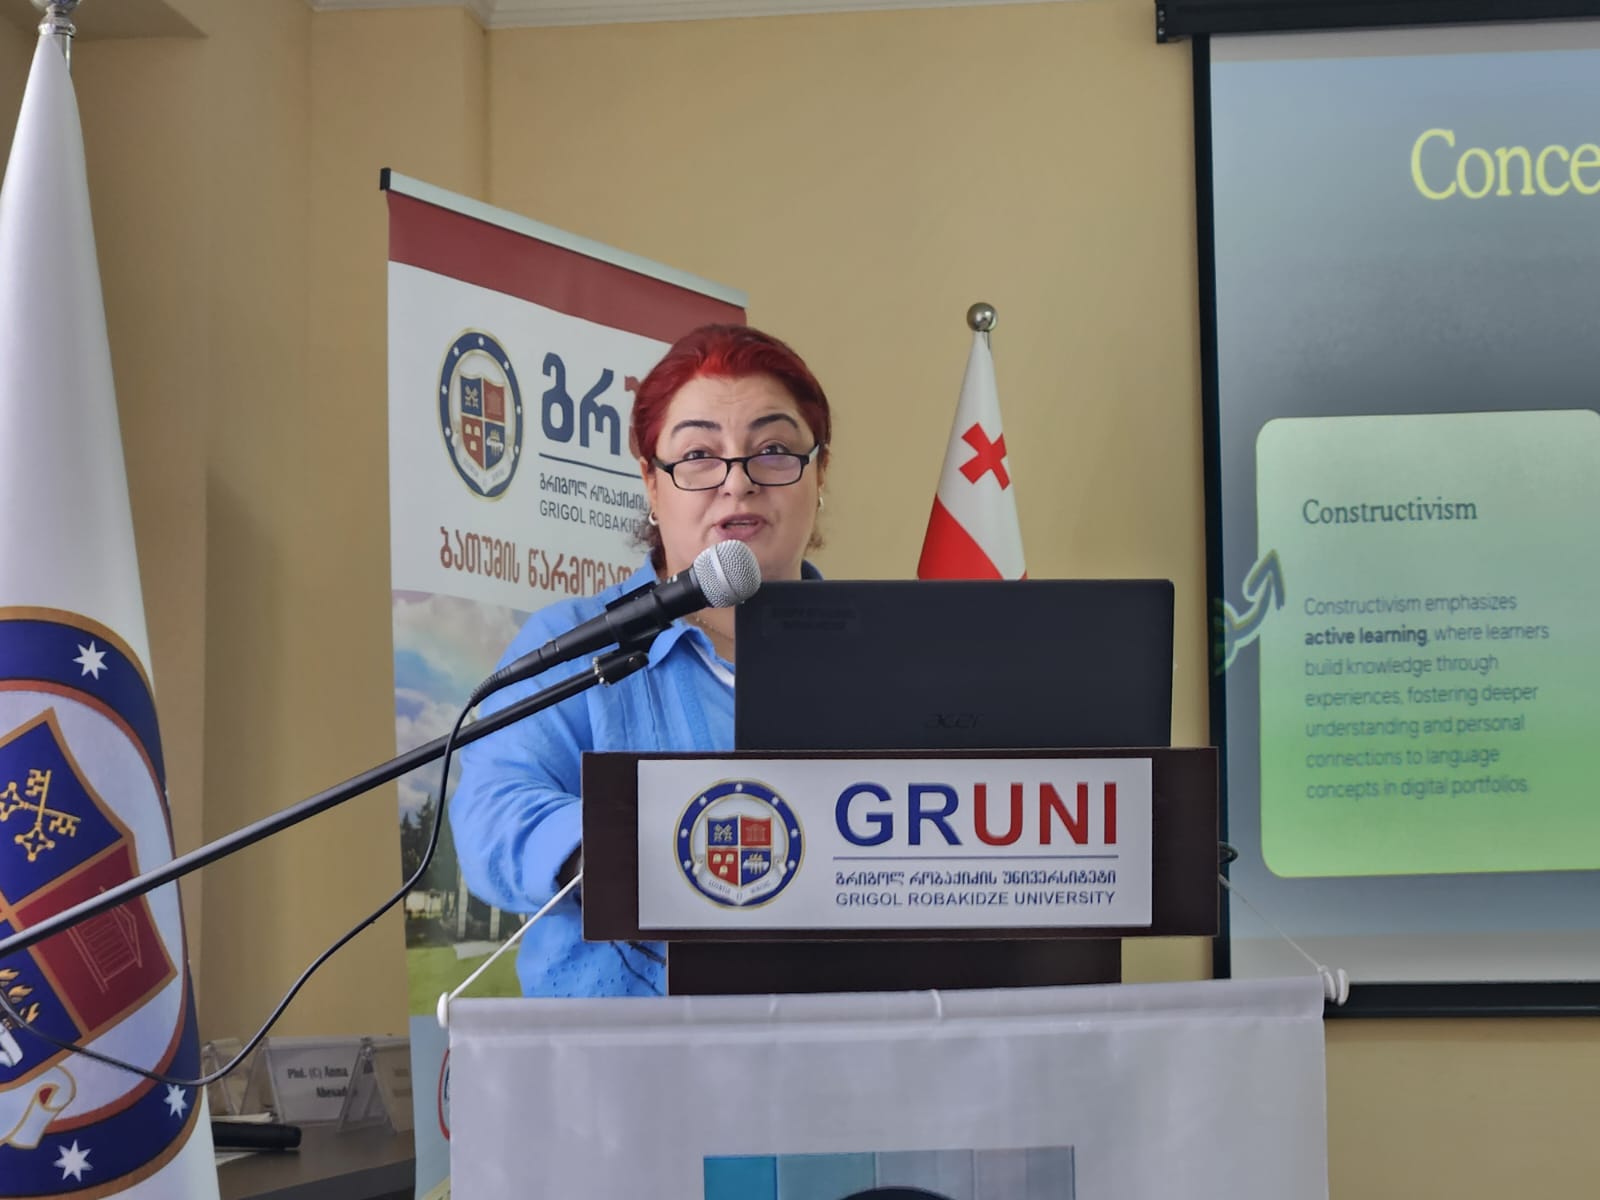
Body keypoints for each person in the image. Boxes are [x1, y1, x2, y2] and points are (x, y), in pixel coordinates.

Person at [449, 324, 831, 997]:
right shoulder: (576, 642)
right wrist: (633, 853)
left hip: (847, 1050)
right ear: (653, 486)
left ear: (819, 474)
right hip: (621, 1055)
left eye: (773, 450)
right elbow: (494, 806)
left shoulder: (890, 655)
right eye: (699, 455)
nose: (737, 483)